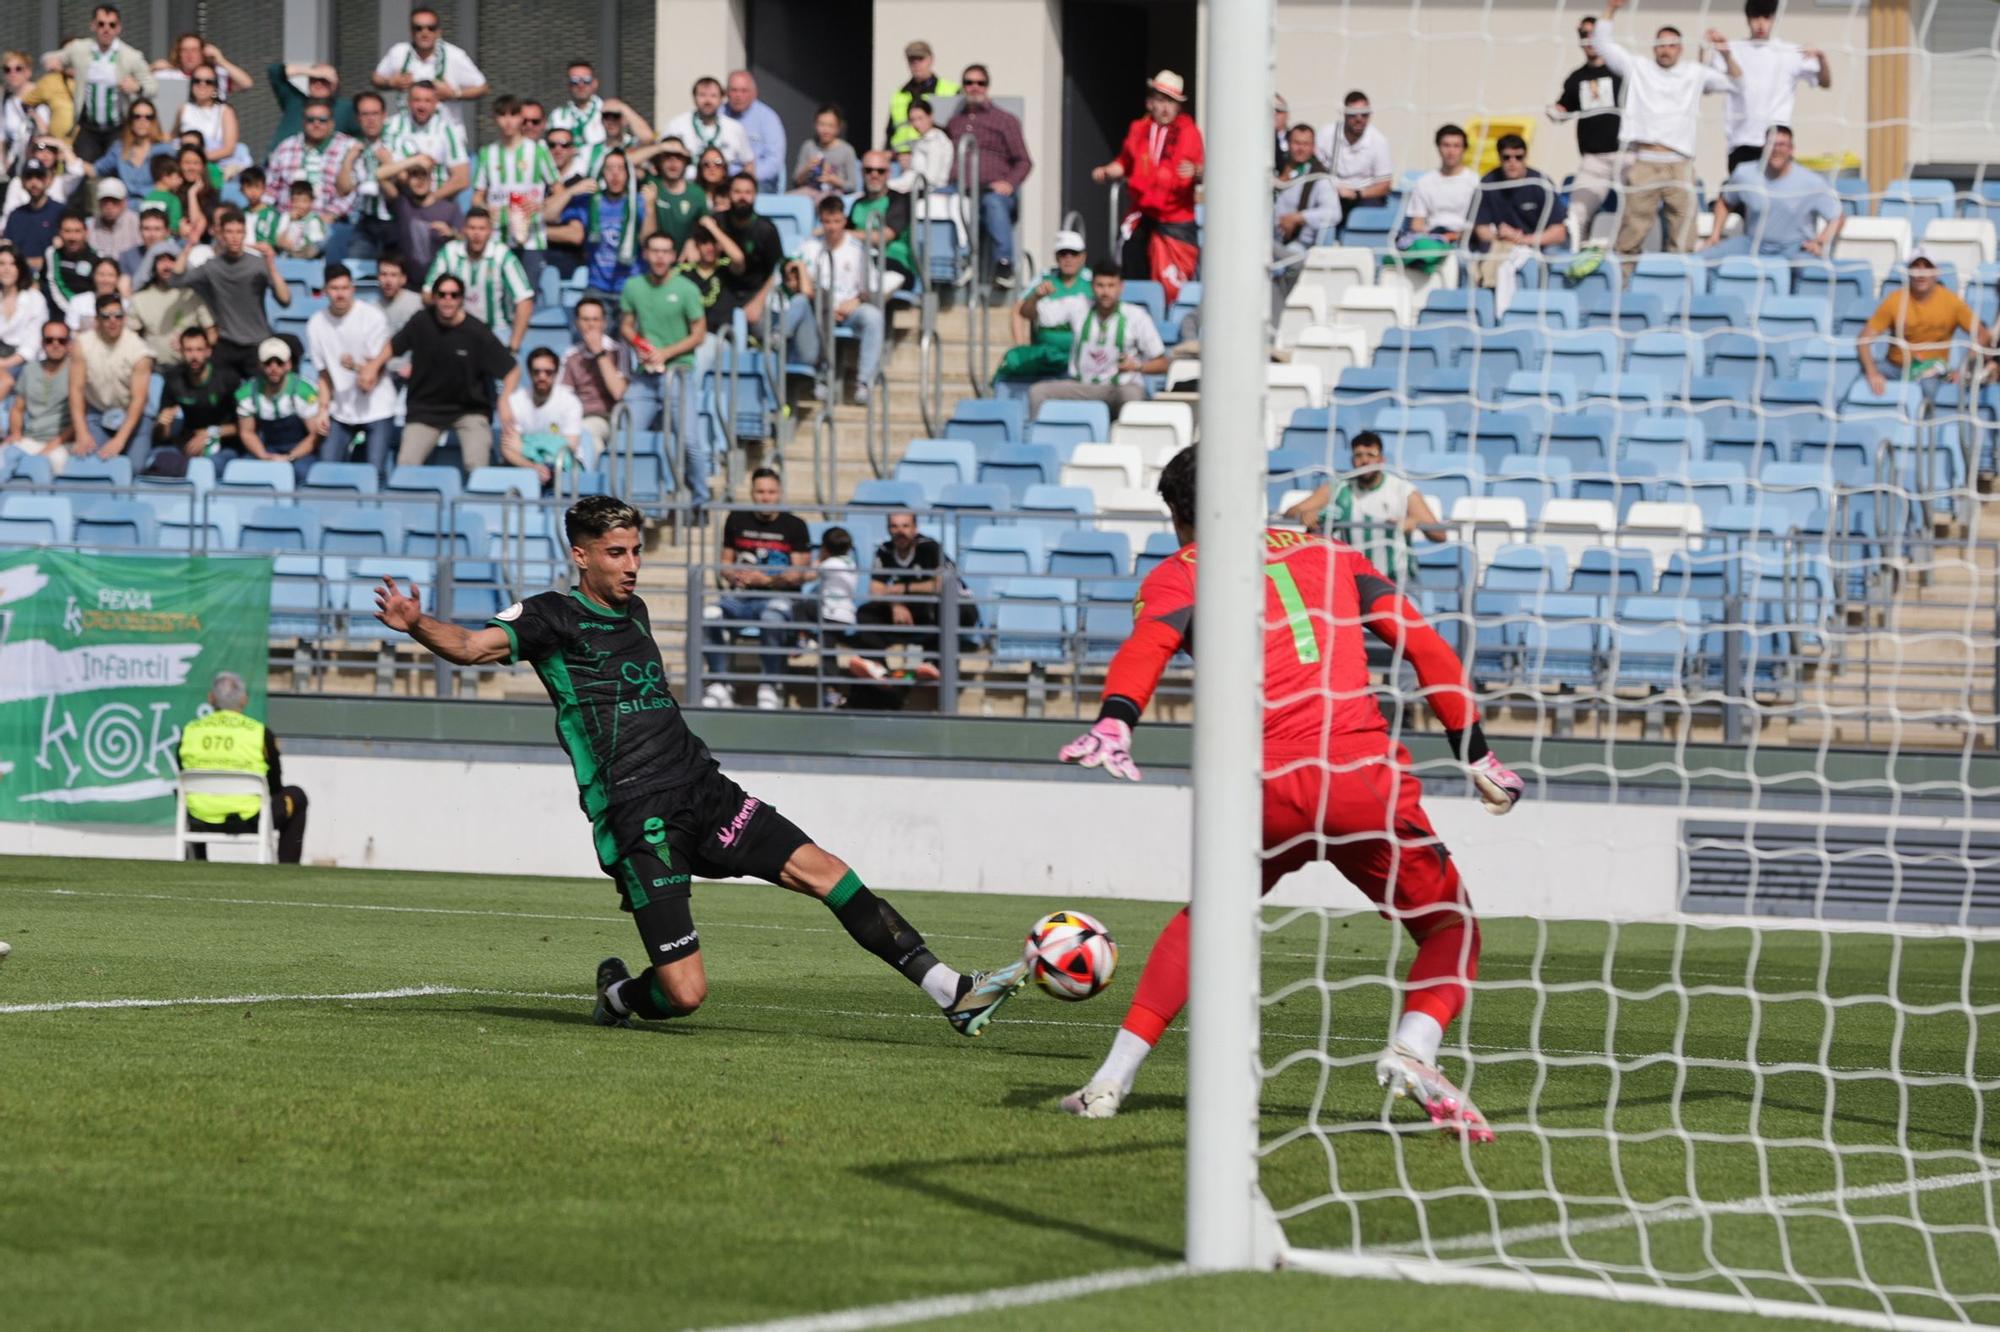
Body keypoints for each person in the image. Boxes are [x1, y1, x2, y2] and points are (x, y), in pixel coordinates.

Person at [372, 495, 1030, 1031]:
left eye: (635, 550)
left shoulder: (635, 609)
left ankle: (951, 992)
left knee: (826, 870)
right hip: (636, 812)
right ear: (579, 554)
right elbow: (470, 646)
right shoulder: (550, 617)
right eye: (616, 553)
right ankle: (620, 999)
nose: (631, 565)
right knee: (685, 994)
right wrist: (417, 622)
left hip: (701, 786)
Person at [1056, 446, 1525, 1132]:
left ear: (1179, 516)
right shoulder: (1333, 554)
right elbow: (1422, 643)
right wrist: (1476, 753)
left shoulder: (1178, 571)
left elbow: (1151, 643)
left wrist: (1116, 718)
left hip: (1261, 786)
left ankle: (1109, 1081)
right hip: (1360, 777)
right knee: (1450, 927)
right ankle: (1414, 1048)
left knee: (1206, 920)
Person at [1597, 0, 1740, 265]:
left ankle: (1678, 292)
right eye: (1661, 45)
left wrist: (1725, 52)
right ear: (1654, 48)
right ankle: (1622, 289)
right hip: (1645, 164)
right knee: (1630, 235)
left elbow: (1736, 83)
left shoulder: (1693, 73)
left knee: (1683, 237)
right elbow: (1603, 45)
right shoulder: (1638, 68)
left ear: (1680, 49)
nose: (1666, 50)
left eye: (1671, 45)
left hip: (1680, 165)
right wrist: (1611, 10)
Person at [362, 272, 517, 470]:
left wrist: (504, 401)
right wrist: (373, 367)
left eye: (454, 295)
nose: (448, 300)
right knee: (406, 466)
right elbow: (394, 346)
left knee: (477, 465)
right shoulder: (420, 322)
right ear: (434, 298)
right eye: (442, 294)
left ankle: (476, 501)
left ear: (462, 298)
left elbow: (511, 369)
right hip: (425, 410)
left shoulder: (477, 332)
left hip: (469, 411)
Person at [843, 509, 977, 711]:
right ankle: (876, 664)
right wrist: (895, 603)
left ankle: (934, 663)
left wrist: (901, 589)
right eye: (894, 526)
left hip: (958, 608)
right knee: (867, 612)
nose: (900, 531)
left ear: (915, 528)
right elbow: (876, 590)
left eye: (905, 526)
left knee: (941, 607)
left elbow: (941, 585)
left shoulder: (929, 548)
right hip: (914, 611)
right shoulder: (885, 550)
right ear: (888, 529)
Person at [703, 467, 811, 711]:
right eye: (760, 491)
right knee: (709, 615)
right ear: (752, 493)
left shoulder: (795, 525)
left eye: (771, 492)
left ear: (780, 493)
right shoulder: (736, 519)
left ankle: (770, 684)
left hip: (778, 598)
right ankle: (720, 682)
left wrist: (768, 580)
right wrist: (736, 574)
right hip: (741, 596)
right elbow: (725, 565)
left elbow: (799, 574)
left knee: (772, 619)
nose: (766, 497)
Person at [177, 670, 309, 865]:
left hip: (201, 819)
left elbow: (183, 773)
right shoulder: (259, 733)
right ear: (244, 700)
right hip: (251, 819)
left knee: (186, 793)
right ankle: (287, 870)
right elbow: (274, 784)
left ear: (211, 698)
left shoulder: (190, 731)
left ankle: (197, 862)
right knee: (296, 795)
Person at [1091, 70, 1202, 302]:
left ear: (1178, 106)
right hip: (1144, 215)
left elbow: (1202, 172)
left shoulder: (1189, 133)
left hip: (1175, 222)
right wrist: (1107, 171)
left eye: (1170, 102)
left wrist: (1197, 171)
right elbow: (1125, 162)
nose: (1165, 108)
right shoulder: (1139, 130)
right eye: (1161, 100)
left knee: (1172, 284)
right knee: (1130, 254)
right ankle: (1134, 309)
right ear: (1151, 102)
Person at [1281, 431, 1451, 581]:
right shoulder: (1339, 488)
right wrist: (1305, 514)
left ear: (1382, 459)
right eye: (1359, 455)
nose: (1364, 461)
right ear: (1352, 460)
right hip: (1353, 580)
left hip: (1395, 583)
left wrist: (1414, 521)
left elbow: (1441, 535)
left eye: (1370, 454)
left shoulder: (1402, 490)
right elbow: (1290, 512)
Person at [620, 230, 709, 502]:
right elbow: (626, 324)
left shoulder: (686, 289)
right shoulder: (633, 286)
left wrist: (666, 353)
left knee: (690, 441)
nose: (659, 257)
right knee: (625, 436)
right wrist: (639, 344)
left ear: (673, 255)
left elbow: (699, 334)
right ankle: (632, 497)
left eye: (665, 251)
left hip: (677, 372)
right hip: (644, 375)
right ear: (646, 254)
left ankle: (700, 498)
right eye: (654, 251)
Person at [1026, 262, 1168, 415]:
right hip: (1081, 386)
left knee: (1132, 395)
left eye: (1111, 285)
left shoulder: (1136, 316)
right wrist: (1035, 297)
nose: (1105, 292)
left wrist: (1137, 366)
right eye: (1100, 285)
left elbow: (1163, 363)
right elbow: (1027, 313)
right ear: (1092, 287)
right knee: (1038, 392)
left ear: (1121, 287)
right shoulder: (1078, 306)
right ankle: (1040, 435)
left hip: (1118, 387)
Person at [167, 206, 289, 381]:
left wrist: (271, 265)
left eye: (239, 232)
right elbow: (175, 280)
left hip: (257, 342)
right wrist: (189, 245)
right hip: (226, 344)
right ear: (220, 235)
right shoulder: (212, 267)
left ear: (245, 233)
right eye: (229, 232)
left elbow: (285, 300)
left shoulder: (258, 264)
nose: (234, 237)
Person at [783, 196, 884, 405]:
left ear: (844, 221)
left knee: (873, 317)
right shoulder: (810, 247)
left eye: (837, 222)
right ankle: (816, 372)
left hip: (848, 309)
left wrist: (855, 302)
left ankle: (863, 382)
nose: (832, 228)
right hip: (819, 310)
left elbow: (870, 289)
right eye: (827, 222)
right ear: (821, 221)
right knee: (805, 303)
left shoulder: (857, 249)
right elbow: (794, 279)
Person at [1713, 0, 1829, 177]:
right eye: (1756, 17)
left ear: (1774, 19)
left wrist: (1821, 57)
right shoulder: (1732, 49)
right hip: (1741, 143)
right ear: (1747, 19)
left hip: (1777, 143)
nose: (1761, 23)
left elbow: (1825, 83)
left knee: (1779, 201)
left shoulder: (1789, 52)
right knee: (1742, 202)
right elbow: (1706, 85)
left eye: (1766, 18)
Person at [945, 66, 1033, 289]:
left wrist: (1009, 183)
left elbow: (1024, 161)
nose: (974, 87)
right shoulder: (954, 122)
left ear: (987, 86)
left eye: (980, 83)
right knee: (944, 204)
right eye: (969, 82)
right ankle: (955, 264)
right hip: (960, 190)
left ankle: (1004, 267)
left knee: (992, 203)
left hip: (993, 193)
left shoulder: (1005, 120)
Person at [307, 263, 399, 476]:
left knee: (374, 472)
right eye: (334, 289)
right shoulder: (316, 324)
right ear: (325, 290)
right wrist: (322, 410)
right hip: (341, 410)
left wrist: (356, 367)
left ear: (353, 288)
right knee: (327, 469)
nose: (340, 294)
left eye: (345, 288)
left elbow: (373, 374)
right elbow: (323, 374)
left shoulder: (371, 316)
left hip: (378, 407)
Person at [1701, 125, 1841, 261]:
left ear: (1791, 149)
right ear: (1764, 148)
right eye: (1771, 144)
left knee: (1809, 268)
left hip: (1794, 247)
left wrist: (1820, 242)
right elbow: (1725, 202)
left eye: (1782, 144)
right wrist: (1715, 235)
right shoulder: (1745, 173)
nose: (1776, 149)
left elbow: (1837, 217)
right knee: (1704, 258)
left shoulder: (1811, 182)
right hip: (1752, 244)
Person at [1858, 249, 1983, 400]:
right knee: (1861, 384)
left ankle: (1925, 422)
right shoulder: (1895, 300)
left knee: (1928, 389)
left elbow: (1983, 335)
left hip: (1932, 371)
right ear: (1909, 272)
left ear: (1936, 272)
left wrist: (1962, 369)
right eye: (1916, 267)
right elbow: (1864, 339)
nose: (1921, 273)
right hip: (1894, 368)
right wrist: (1872, 373)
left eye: (1927, 266)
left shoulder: (1951, 302)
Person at [45, 6, 156, 162]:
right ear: (93, 26)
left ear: (119, 28)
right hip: (89, 127)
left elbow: (153, 87)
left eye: (112, 25)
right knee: (80, 171)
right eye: (101, 24)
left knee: (115, 171)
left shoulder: (130, 55)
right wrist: (55, 63)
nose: (106, 29)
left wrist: (137, 87)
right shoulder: (80, 49)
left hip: (117, 127)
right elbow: (48, 58)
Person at [473, 93, 560, 292]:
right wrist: (485, 209)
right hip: (497, 238)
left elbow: (559, 191)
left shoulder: (538, 152)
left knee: (527, 297)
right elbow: (477, 197)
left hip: (531, 239)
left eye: (513, 115)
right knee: (497, 294)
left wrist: (541, 205)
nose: (508, 121)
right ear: (495, 119)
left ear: (520, 118)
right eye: (503, 115)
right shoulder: (488, 154)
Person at [1549, 17, 1624, 247]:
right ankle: (1575, 258)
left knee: (1640, 209)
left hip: (1627, 156)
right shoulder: (1576, 78)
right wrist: (1555, 111)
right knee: (1576, 213)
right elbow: (1564, 106)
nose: (1589, 40)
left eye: (1593, 34)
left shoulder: (1621, 71)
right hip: (1594, 161)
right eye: (1583, 35)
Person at [425, 205, 533, 355]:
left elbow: (524, 300)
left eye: (482, 229)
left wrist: (513, 346)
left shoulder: (502, 255)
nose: (477, 234)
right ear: (464, 229)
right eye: (472, 228)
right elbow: (427, 294)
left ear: (490, 231)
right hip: (455, 330)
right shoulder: (449, 253)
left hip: (496, 331)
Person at [547, 148, 644, 309]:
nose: (615, 174)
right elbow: (548, 215)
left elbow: (647, 238)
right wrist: (572, 191)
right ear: (600, 172)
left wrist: (651, 208)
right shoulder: (590, 202)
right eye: (609, 168)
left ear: (629, 174)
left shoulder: (638, 203)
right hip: (597, 286)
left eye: (620, 168)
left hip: (630, 285)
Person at [1469, 134, 1568, 291]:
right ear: (1499, 158)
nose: (1512, 162)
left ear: (1526, 157)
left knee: (1552, 254)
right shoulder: (1488, 183)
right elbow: (1481, 230)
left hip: (1537, 244)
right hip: (1501, 243)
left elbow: (1559, 233)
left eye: (1518, 157)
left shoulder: (1540, 183)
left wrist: (1522, 239)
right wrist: (1503, 236)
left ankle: (1541, 303)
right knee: (1475, 259)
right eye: (1506, 157)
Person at [67, 292, 152, 469]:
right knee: (91, 463)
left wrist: (119, 440)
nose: (113, 321)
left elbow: (139, 400)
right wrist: (81, 432)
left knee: (134, 467)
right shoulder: (82, 345)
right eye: (106, 316)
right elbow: (76, 390)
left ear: (124, 318)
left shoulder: (139, 351)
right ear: (97, 319)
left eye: (118, 316)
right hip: (97, 413)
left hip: (133, 415)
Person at [372, 6, 487, 126]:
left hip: (446, 135)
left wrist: (454, 94)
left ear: (438, 32)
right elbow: (376, 79)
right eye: (418, 28)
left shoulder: (454, 55)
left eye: (431, 28)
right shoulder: (399, 52)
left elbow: (483, 88)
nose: (424, 33)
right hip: (408, 135)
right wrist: (391, 83)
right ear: (411, 32)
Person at [149, 324, 239, 474]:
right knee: (156, 460)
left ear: (208, 352)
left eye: (199, 350)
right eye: (189, 350)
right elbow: (163, 435)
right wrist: (163, 424)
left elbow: (243, 427)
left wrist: (210, 433)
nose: (194, 356)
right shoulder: (173, 379)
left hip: (224, 444)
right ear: (181, 352)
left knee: (204, 468)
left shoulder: (227, 378)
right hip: (187, 443)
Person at [235, 336, 324, 483]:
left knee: (303, 471)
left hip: (300, 451)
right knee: (244, 469)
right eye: (268, 363)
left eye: (279, 362)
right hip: (268, 449)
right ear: (260, 365)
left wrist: (290, 457)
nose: (274, 368)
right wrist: (263, 455)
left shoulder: (303, 391)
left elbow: (315, 435)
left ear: (288, 364)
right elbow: (247, 432)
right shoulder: (247, 393)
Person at [1273, 124, 1339, 321]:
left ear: (1313, 148)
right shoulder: (1277, 169)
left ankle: (1279, 315)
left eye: (1305, 144)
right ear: (1288, 145)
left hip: (1300, 245)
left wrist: (1298, 217)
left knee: (1288, 262)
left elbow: (1334, 213)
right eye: (1296, 143)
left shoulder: (1319, 177)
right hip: (1271, 241)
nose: (1300, 148)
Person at [265, 99, 356, 237]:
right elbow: (270, 189)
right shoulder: (285, 147)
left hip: (329, 225)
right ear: (303, 122)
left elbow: (354, 191)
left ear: (332, 123)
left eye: (322, 120)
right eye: (311, 119)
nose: (316, 124)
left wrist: (331, 215)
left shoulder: (348, 147)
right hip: (287, 224)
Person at [500, 346, 588, 488]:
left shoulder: (570, 401)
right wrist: (533, 466)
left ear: (556, 373)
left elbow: (569, 446)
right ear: (529, 372)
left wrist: (525, 446)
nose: (542, 377)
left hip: (564, 469)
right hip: (525, 468)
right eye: (537, 372)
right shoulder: (515, 400)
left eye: (548, 372)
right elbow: (508, 449)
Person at [3, 318, 76, 474]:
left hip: (61, 444)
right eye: (49, 340)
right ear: (42, 343)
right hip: (29, 439)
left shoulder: (76, 371)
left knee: (47, 466)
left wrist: (51, 446)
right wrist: (16, 435)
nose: (55, 344)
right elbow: (17, 408)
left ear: (69, 344)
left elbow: (79, 418)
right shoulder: (30, 370)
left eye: (61, 340)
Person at [713, 172, 784, 328]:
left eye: (748, 192)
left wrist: (758, 302)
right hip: (722, 291)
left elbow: (777, 270)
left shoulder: (766, 229)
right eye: (737, 192)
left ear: (755, 195)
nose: (742, 197)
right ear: (729, 194)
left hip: (756, 293)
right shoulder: (716, 222)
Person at [330, 91, 394, 263]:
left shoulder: (397, 142)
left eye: (375, 114)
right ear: (358, 118)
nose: (370, 119)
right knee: (355, 267)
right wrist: (349, 160)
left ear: (384, 116)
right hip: (366, 220)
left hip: (395, 220)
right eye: (365, 114)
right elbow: (343, 190)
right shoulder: (351, 146)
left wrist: (389, 165)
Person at [374, 151, 461, 277]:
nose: (420, 181)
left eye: (424, 175)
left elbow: (466, 241)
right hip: (409, 285)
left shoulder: (449, 208)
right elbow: (379, 175)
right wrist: (415, 160)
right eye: (414, 175)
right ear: (407, 179)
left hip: (440, 284)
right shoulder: (402, 203)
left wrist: (452, 234)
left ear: (431, 179)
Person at [560, 295, 628, 455]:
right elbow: (563, 395)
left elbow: (618, 392)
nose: (590, 325)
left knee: (587, 434)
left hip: (607, 417)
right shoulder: (571, 355)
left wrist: (599, 354)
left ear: (604, 323)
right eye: (585, 319)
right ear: (577, 323)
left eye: (595, 319)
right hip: (575, 417)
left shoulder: (618, 351)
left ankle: (590, 478)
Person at [383, 81, 470, 197]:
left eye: (427, 101)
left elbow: (462, 179)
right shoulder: (392, 126)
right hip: (400, 201)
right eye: (417, 100)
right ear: (408, 102)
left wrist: (431, 200)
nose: (421, 106)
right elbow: (385, 167)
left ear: (436, 103)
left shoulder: (448, 130)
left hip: (438, 201)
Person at [847, 150, 915, 293]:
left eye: (880, 171)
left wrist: (843, 233)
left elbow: (882, 237)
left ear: (888, 173)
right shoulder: (857, 204)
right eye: (868, 170)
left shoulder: (900, 200)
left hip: (894, 264)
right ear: (862, 173)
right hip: (862, 262)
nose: (874, 175)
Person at [662, 77, 753, 178]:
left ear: (721, 99)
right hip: (687, 188)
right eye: (702, 95)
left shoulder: (735, 128)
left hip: (723, 189)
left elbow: (748, 163)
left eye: (713, 96)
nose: (708, 100)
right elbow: (661, 160)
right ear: (694, 98)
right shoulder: (676, 126)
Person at [1320, 90, 1394, 210]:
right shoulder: (1327, 134)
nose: (1359, 119)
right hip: (1332, 194)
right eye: (1353, 114)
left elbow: (1384, 185)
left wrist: (1356, 194)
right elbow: (1315, 169)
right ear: (1344, 114)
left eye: (1364, 114)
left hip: (1366, 198)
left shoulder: (1379, 141)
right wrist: (1334, 188)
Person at [263, 60, 358, 153]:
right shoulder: (294, 100)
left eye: (324, 80)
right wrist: (311, 71)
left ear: (334, 84)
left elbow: (365, 132)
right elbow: (274, 71)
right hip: (281, 161)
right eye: (314, 79)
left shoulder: (345, 108)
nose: (318, 84)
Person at [885, 40, 957, 156]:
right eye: (912, 60)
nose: (916, 64)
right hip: (902, 157)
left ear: (931, 60)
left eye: (920, 59)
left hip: (936, 155)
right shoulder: (899, 94)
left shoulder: (951, 90)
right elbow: (890, 132)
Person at [642, 138, 708, 257]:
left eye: (678, 157)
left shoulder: (697, 193)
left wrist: (693, 240)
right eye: (667, 156)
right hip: (654, 263)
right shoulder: (651, 183)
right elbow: (626, 162)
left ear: (686, 161)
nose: (673, 162)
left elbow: (705, 227)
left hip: (684, 265)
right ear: (659, 161)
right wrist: (660, 147)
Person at [724, 71, 786, 195]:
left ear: (754, 93)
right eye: (734, 90)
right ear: (727, 92)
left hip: (759, 181)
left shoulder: (768, 118)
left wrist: (747, 177)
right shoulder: (719, 114)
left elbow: (774, 160)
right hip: (725, 178)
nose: (738, 95)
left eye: (743, 91)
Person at [91, 99, 168, 197]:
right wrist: (70, 158)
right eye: (137, 116)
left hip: (155, 204)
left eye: (148, 117)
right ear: (130, 120)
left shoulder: (165, 150)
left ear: (154, 121)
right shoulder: (119, 148)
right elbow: (96, 170)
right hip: (126, 207)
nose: (142, 121)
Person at [173, 64, 243, 171]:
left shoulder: (225, 111)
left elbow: (229, 148)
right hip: (184, 167)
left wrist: (197, 159)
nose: (202, 84)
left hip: (214, 166)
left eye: (208, 82)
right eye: (197, 81)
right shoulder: (184, 108)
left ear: (215, 87)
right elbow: (173, 137)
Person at [4, 161, 67, 279]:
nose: (34, 182)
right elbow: (8, 250)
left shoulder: (61, 211)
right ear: (22, 182)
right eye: (29, 177)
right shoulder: (15, 215)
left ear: (48, 180)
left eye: (39, 176)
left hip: (53, 277)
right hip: (21, 278)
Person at [154, 33, 251, 103]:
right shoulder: (167, 75)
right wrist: (151, 68)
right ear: (179, 54)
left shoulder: (217, 74)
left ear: (203, 53)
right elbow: (140, 87)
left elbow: (246, 84)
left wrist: (221, 60)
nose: (189, 55)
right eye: (184, 50)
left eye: (194, 50)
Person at [0, 245, 50, 381]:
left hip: (24, 362)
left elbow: (33, 344)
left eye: (12, 264)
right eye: (2, 264)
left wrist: (4, 364)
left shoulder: (35, 298)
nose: (6, 269)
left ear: (20, 268)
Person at [40, 214, 101, 323]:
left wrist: (80, 311)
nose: (72, 237)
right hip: (58, 317)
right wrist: (73, 310)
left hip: (88, 315)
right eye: (67, 231)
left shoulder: (98, 257)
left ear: (86, 233)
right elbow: (51, 284)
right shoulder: (52, 255)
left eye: (77, 231)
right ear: (59, 233)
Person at [790, 103, 858, 200]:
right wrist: (807, 168)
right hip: (809, 192)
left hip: (834, 196)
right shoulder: (808, 147)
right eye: (821, 124)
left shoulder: (847, 150)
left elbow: (852, 186)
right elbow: (796, 181)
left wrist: (831, 179)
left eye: (831, 126)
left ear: (839, 127)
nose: (825, 130)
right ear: (815, 125)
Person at [896, 98, 952, 192]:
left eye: (920, 118)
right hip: (917, 188)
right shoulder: (923, 140)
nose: (916, 124)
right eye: (912, 120)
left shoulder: (935, 141)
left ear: (930, 117)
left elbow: (931, 179)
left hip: (931, 194)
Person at [548, 60, 608, 146]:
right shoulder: (557, 116)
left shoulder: (607, 113)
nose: (581, 85)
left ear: (595, 83)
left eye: (586, 80)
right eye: (574, 81)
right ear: (568, 85)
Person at [85, 176, 139, 263]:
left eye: (114, 201)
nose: (109, 206)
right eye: (105, 201)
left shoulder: (137, 224)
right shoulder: (89, 225)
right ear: (99, 203)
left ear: (124, 202)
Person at [274, 181, 328, 259]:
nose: (300, 205)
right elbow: (279, 242)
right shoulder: (286, 217)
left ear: (311, 202)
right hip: (287, 256)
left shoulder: (314, 220)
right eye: (296, 201)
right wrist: (290, 221)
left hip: (308, 260)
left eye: (304, 201)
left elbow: (315, 246)